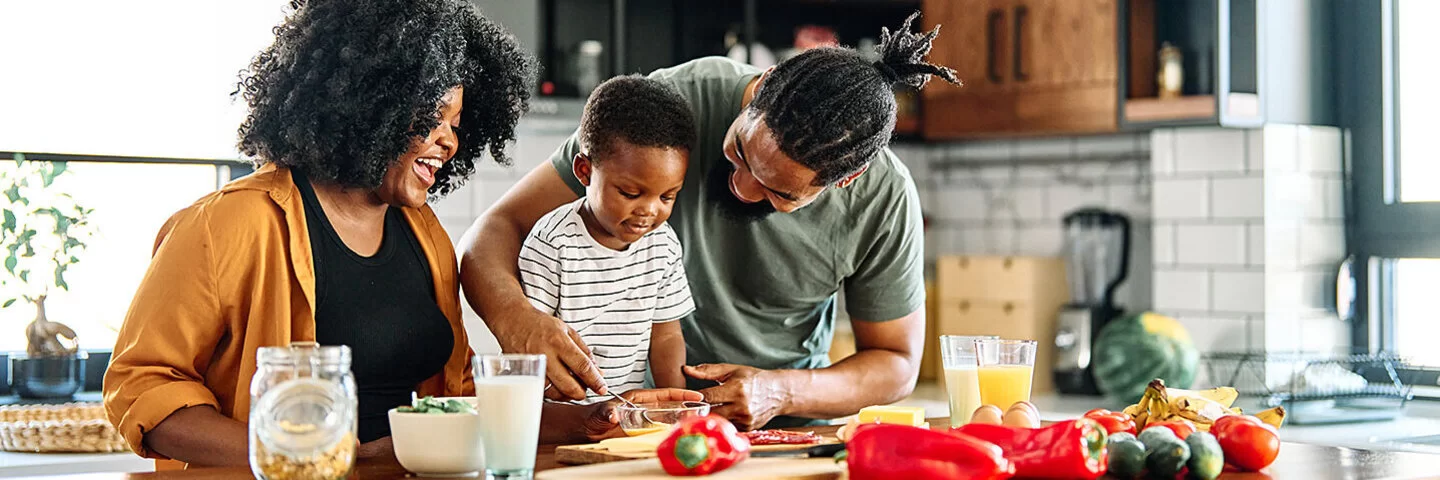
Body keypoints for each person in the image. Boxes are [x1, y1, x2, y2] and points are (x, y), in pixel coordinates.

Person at [102, 0, 693, 468]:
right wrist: (319, 458)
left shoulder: (424, 233)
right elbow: (142, 387)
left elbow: (458, 401)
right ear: (364, 105)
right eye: (430, 120)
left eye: (456, 125)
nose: (450, 141)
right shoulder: (227, 225)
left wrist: (591, 416)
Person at [460, 12, 960, 430]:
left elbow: (896, 364)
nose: (742, 186)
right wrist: (518, 322)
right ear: (761, 86)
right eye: (740, 152)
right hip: (626, 423)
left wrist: (780, 391)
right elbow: (494, 231)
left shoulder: (884, 198)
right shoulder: (670, 106)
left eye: (779, 192)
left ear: (844, 181)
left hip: (774, 435)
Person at [519, 75, 697, 404]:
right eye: (630, 193)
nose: (649, 211)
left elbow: (667, 336)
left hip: (627, 414)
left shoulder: (663, 244)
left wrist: (677, 407)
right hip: (559, 416)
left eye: (668, 197)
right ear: (584, 171)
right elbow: (528, 348)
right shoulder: (552, 243)